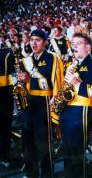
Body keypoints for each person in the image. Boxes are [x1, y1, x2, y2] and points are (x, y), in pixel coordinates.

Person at [18, 29, 64, 177]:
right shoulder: (26, 60)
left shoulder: (53, 58)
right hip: (27, 105)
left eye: (37, 40)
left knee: (44, 144)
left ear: (45, 42)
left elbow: (55, 84)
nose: (34, 43)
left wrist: (29, 80)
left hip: (44, 104)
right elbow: (22, 83)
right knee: (27, 143)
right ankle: (31, 173)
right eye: (31, 40)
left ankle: (47, 174)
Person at [59, 33, 92, 177]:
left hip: (82, 110)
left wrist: (77, 84)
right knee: (66, 148)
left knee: (76, 149)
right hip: (67, 109)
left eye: (79, 43)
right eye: (73, 43)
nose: (74, 45)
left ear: (88, 47)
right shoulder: (72, 65)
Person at [0, 47, 14, 167]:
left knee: (5, 126)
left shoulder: (7, 52)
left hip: (4, 93)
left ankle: (4, 155)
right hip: (5, 93)